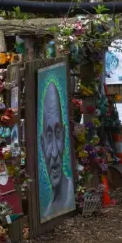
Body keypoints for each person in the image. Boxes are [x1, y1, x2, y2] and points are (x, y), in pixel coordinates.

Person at [40, 81, 75, 220]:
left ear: (65, 135)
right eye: (49, 136)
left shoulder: (70, 193)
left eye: (58, 133)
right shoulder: (48, 210)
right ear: (42, 145)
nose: (54, 153)